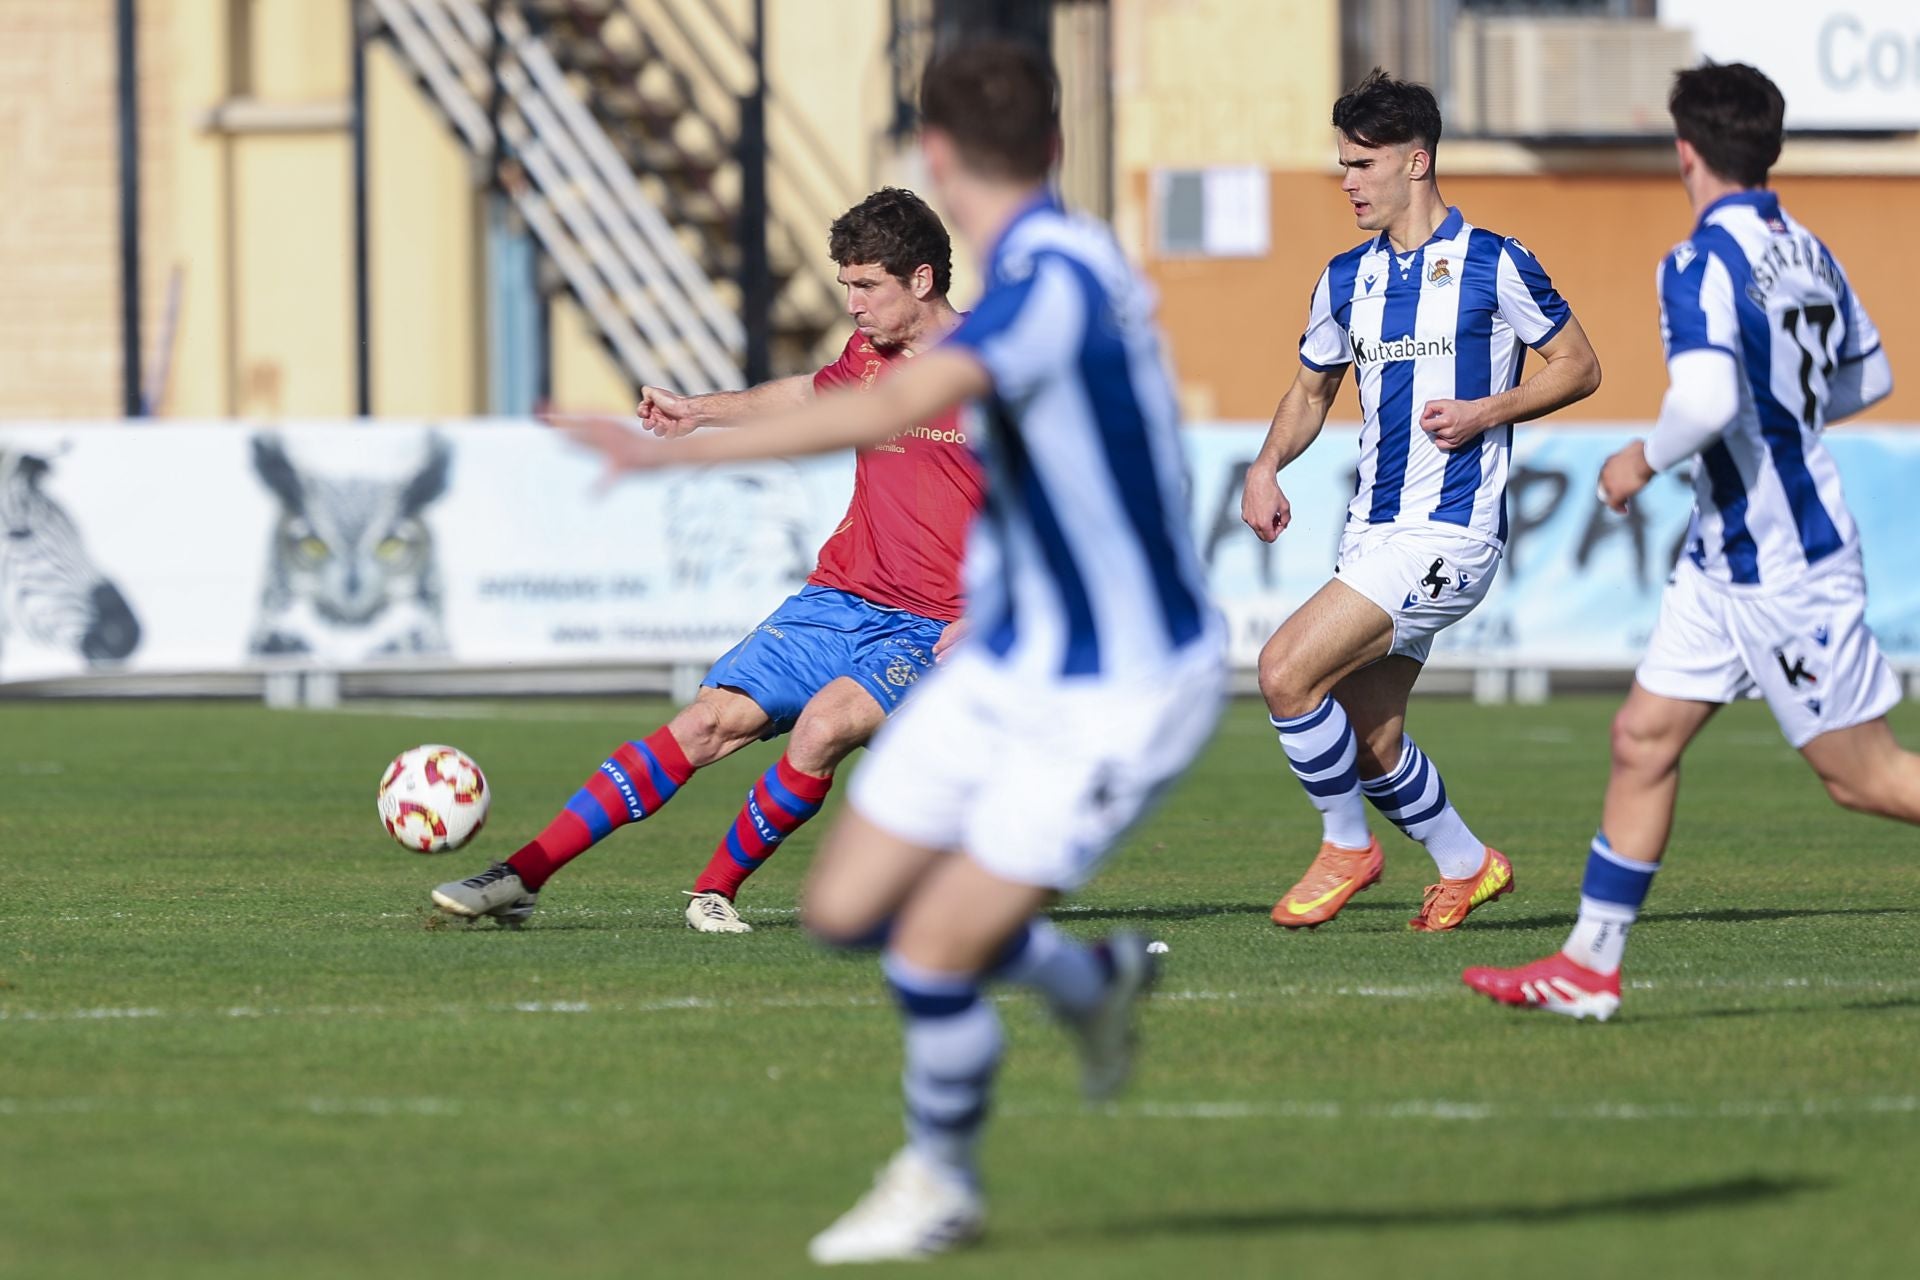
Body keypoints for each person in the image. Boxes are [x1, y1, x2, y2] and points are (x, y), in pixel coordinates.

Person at [559, 40, 1225, 1265]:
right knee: (848, 903)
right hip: (1020, 645)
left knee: (932, 942)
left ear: (932, 155)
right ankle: (1088, 984)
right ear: (1056, 148)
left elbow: (880, 406)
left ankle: (941, 1179)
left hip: (1121, 673)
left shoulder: (1056, 284)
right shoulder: (1048, 268)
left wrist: (669, 450)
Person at [1463, 62, 1912, 1020]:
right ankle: (1589, 965)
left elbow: (1705, 399)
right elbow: (1866, 377)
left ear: (1686, 152)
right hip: (1725, 557)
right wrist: (1782, 419)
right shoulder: (1807, 248)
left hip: (1781, 561)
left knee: (1865, 779)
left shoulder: (1698, 261)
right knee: (1642, 738)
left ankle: (1589, 962)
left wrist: (1639, 459)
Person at [430, 188, 982, 934]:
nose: (850, 303)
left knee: (824, 727)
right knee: (707, 723)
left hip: (936, 623)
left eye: (865, 286)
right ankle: (520, 876)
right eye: (844, 284)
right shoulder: (868, 357)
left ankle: (713, 891)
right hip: (842, 596)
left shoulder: (994, 369)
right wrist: (697, 412)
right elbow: (801, 397)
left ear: (921, 279)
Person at [1243, 69, 1601, 932]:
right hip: (1373, 531)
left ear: (1417, 161)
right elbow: (1309, 392)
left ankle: (1346, 847)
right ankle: (1468, 864)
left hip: (1450, 531)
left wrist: (1488, 409)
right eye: (1342, 164)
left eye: (1362, 164)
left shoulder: (1496, 261)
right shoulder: (1344, 279)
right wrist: (1265, 466)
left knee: (1285, 672)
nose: (1348, 182)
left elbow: (1580, 367)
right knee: (1371, 742)